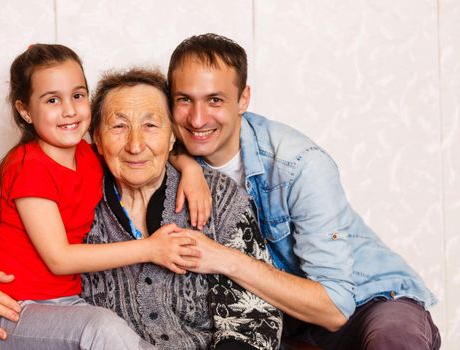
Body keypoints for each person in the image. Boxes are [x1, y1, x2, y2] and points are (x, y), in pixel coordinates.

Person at [0, 66, 283, 349]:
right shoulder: (77, 198)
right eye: (118, 126)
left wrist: (192, 167)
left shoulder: (219, 198)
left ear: (171, 137)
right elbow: (36, 258)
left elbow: (253, 316)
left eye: (151, 126)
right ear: (95, 137)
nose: (135, 144)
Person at [165, 33, 441, 349]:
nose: (197, 118)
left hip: (367, 302)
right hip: (285, 323)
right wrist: (185, 163)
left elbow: (336, 306)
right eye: (184, 99)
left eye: (215, 99)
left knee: (393, 341)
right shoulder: (173, 158)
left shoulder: (299, 165)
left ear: (243, 99)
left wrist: (223, 259)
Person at [0, 44, 210, 349]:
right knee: (100, 328)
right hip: (8, 313)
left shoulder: (87, 155)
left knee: (107, 327)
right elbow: (59, 258)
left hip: (63, 306)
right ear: (25, 110)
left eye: (78, 95)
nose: (69, 110)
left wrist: (191, 168)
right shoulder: (28, 166)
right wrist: (150, 248)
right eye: (53, 100)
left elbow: (142, 149)